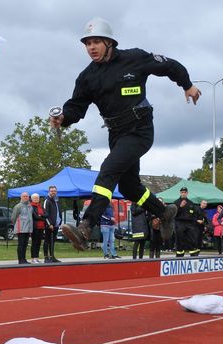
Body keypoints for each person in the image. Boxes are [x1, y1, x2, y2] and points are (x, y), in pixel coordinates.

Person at [52, 17, 201, 251]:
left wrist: (188, 85)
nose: (91, 48)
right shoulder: (87, 77)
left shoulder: (134, 58)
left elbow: (170, 66)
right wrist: (63, 117)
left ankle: (86, 226)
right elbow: (76, 107)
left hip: (140, 129)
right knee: (130, 187)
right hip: (116, 133)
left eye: (96, 42)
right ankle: (164, 212)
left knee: (108, 170)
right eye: (87, 43)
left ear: (109, 43)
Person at [173, 187, 199, 257]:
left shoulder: (191, 203)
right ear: (180, 193)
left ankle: (193, 255)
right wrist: (180, 206)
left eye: (185, 192)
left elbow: (194, 214)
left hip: (189, 224)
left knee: (191, 240)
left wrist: (194, 224)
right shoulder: (176, 202)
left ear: (187, 193)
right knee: (180, 240)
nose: (183, 193)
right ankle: (179, 256)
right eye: (182, 192)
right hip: (180, 223)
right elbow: (174, 214)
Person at [11, 192, 33, 264]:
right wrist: (16, 226)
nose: (26, 197)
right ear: (21, 197)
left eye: (27, 196)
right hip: (21, 228)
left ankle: (24, 259)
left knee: (25, 244)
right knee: (21, 244)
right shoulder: (18, 206)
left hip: (28, 228)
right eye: (24, 196)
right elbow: (13, 217)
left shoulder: (30, 206)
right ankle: (20, 260)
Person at [43, 185, 62, 263]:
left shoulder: (56, 200)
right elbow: (45, 213)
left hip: (56, 224)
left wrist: (60, 221)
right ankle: (46, 257)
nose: (53, 192)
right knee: (47, 241)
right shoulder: (47, 200)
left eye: (54, 191)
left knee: (53, 241)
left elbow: (58, 212)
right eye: (51, 191)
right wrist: (49, 224)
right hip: (49, 225)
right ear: (49, 191)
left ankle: (52, 256)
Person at [30, 193, 48, 263]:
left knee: (39, 242)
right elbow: (35, 216)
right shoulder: (31, 206)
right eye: (35, 198)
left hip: (41, 226)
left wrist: (41, 216)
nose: (36, 199)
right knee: (34, 242)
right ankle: (33, 258)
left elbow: (47, 214)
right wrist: (42, 216)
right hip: (35, 227)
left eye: (37, 198)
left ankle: (36, 257)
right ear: (32, 199)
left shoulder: (41, 206)